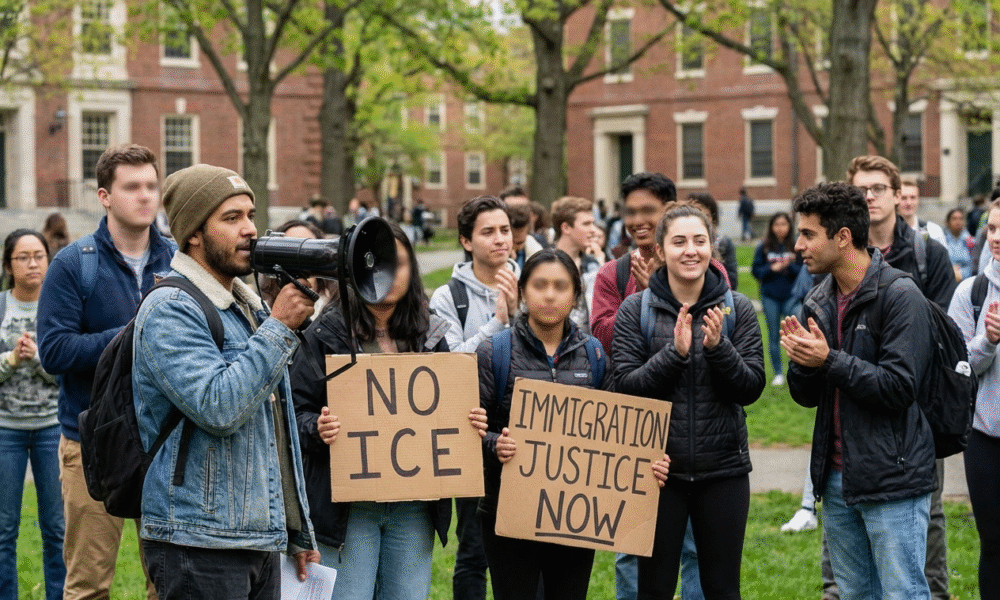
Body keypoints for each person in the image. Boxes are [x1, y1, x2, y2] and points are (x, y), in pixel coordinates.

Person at [132, 164, 319, 598]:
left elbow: (275, 430)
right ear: (194, 233)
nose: (250, 229)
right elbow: (219, 408)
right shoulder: (170, 308)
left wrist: (296, 529)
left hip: (257, 537)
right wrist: (279, 327)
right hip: (197, 541)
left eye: (250, 215)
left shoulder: (246, 308)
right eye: (231, 218)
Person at [291, 222, 486, 600]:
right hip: (349, 511)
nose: (391, 274)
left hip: (414, 508)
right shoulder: (326, 333)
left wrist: (468, 422)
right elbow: (294, 415)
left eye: (400, 263)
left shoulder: (430, 333)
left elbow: (449, 410)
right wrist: (318, 427)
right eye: (381, 263)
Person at [477, 247, 668, 600]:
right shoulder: (495, 352)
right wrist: (495, 444)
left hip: (575, 516)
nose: (550, 295)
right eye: (539, 285)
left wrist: (646, 463)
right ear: (522, 292)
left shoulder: (595, 355)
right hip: (508, 513)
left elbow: (619, 435)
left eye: (561, 286)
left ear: (576, 295)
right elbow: (469, 431)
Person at [783, 181, 936, 600]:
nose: (798, 245)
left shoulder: (900, 295)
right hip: (836, 480)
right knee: (854, 595)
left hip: (893, 479)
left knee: (903, 593)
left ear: (843, 237)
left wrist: (828, 359)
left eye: (808, 234)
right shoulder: (819, 298)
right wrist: (803, 363)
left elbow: (899, 387)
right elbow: (807, 397)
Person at [37, 143, 173, 600]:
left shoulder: (178, 261)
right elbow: (54, 351)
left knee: (169, 583)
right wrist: (133, 335)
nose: (145, 196)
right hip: (92, 444)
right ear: (105, 196)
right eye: (132, 187)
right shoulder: (74, 263)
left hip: (166, 443)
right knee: (88, 586)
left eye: (151, 185)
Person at [613, 204, 765, 599]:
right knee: (654, 589)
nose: (691, 250)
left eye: (700, 241)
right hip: (656, 475)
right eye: (679, 242)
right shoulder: (636, 310)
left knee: (723, 589)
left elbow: (751, 388)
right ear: (661, 250)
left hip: (724, 472)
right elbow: (625, 389)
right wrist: (674, 354)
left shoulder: (737, 308)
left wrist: (719, 349)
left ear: (712, 247)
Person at [848, 155, 955, 600]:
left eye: (878, 188)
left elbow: (945, 332)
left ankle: (935, 592)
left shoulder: (927, 255)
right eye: (860, 190)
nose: (869, 197)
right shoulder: (845, 255)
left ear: (897, 195)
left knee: (928, 509)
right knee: (852, 507)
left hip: (918, 405)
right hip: (860, 402)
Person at [429, 195, 517, 600]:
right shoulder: (448, 297)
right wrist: (499, 322)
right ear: (466, 241)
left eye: (505, 230)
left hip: (523, 432)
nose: (500, 239)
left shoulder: (534, 282)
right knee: (474, 550)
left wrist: (521, 313)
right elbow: (449, 366)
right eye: (488, 232)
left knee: (526, 547)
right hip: (473, 435)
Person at [0, 229, 64, 600]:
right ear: (9, 265)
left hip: (52, 428)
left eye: (39, 255)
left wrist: (39, 358)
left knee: (57, 528)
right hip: (5, 430)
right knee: (4, 530)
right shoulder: (1, 307)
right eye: (23, 257)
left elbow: (68, 372)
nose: (33, 263)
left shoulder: (58, 307)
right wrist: (11, 359)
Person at [947, 197, 1000, 596]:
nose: (996, 237)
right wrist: (989, 341)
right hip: (985, 438)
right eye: (992, 228)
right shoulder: (972, 292)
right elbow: (958, 364)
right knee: (994, 545)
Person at [751, 212, 803, 387]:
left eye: (784, 224)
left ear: (789, 226)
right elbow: (756, 271)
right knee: (774, 336)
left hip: (792, 297)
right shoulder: (764, 247)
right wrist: (772, 269)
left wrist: (789, 266)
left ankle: (798, 370)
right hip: (770, 297)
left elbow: (804, 271)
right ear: (772, 227)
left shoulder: (796, 245)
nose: (780, 228)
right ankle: (778, 373)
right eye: (777, 224)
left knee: (795, 334)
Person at [257, 220, 338, 318]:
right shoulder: (260, 313)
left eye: (309, 249)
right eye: (289, 250)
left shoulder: (339, 310)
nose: (300, 258)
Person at [551, 196, 602, 334]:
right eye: (586, 224)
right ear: (566, 228)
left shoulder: (593, 264)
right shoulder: (542, 264)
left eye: (593, 223)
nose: (594, 230)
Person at [687, 193, 738, 289]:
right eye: (696, 215)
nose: (700, 221)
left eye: (705, 216)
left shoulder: (723, 243)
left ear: (713, 218)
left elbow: (732, 279)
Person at [898, 179, 947, 247]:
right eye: (903, 198)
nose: (908, 203)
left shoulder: (934, 231)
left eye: (913, 197)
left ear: (918, 200)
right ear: (896, 200)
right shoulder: (887, 234)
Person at [944, 208, 974, 282]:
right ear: (948, 222)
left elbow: (973, 265)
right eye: (954, 219)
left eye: (961, 219)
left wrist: (961, 274)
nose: (958, 221)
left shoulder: (970, 241)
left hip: (966, 280)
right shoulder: (942, 240)